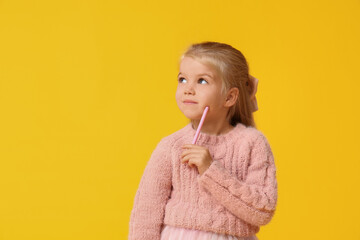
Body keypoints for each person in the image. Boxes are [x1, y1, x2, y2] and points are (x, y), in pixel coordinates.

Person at [128, 41, 278, 240]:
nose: (188, 89)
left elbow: (263, 210)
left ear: (229, 97)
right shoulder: (170, 147)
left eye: (202, 81)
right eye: (182, 79)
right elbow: (145, 215)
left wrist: (211, 170)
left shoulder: (252, 143)